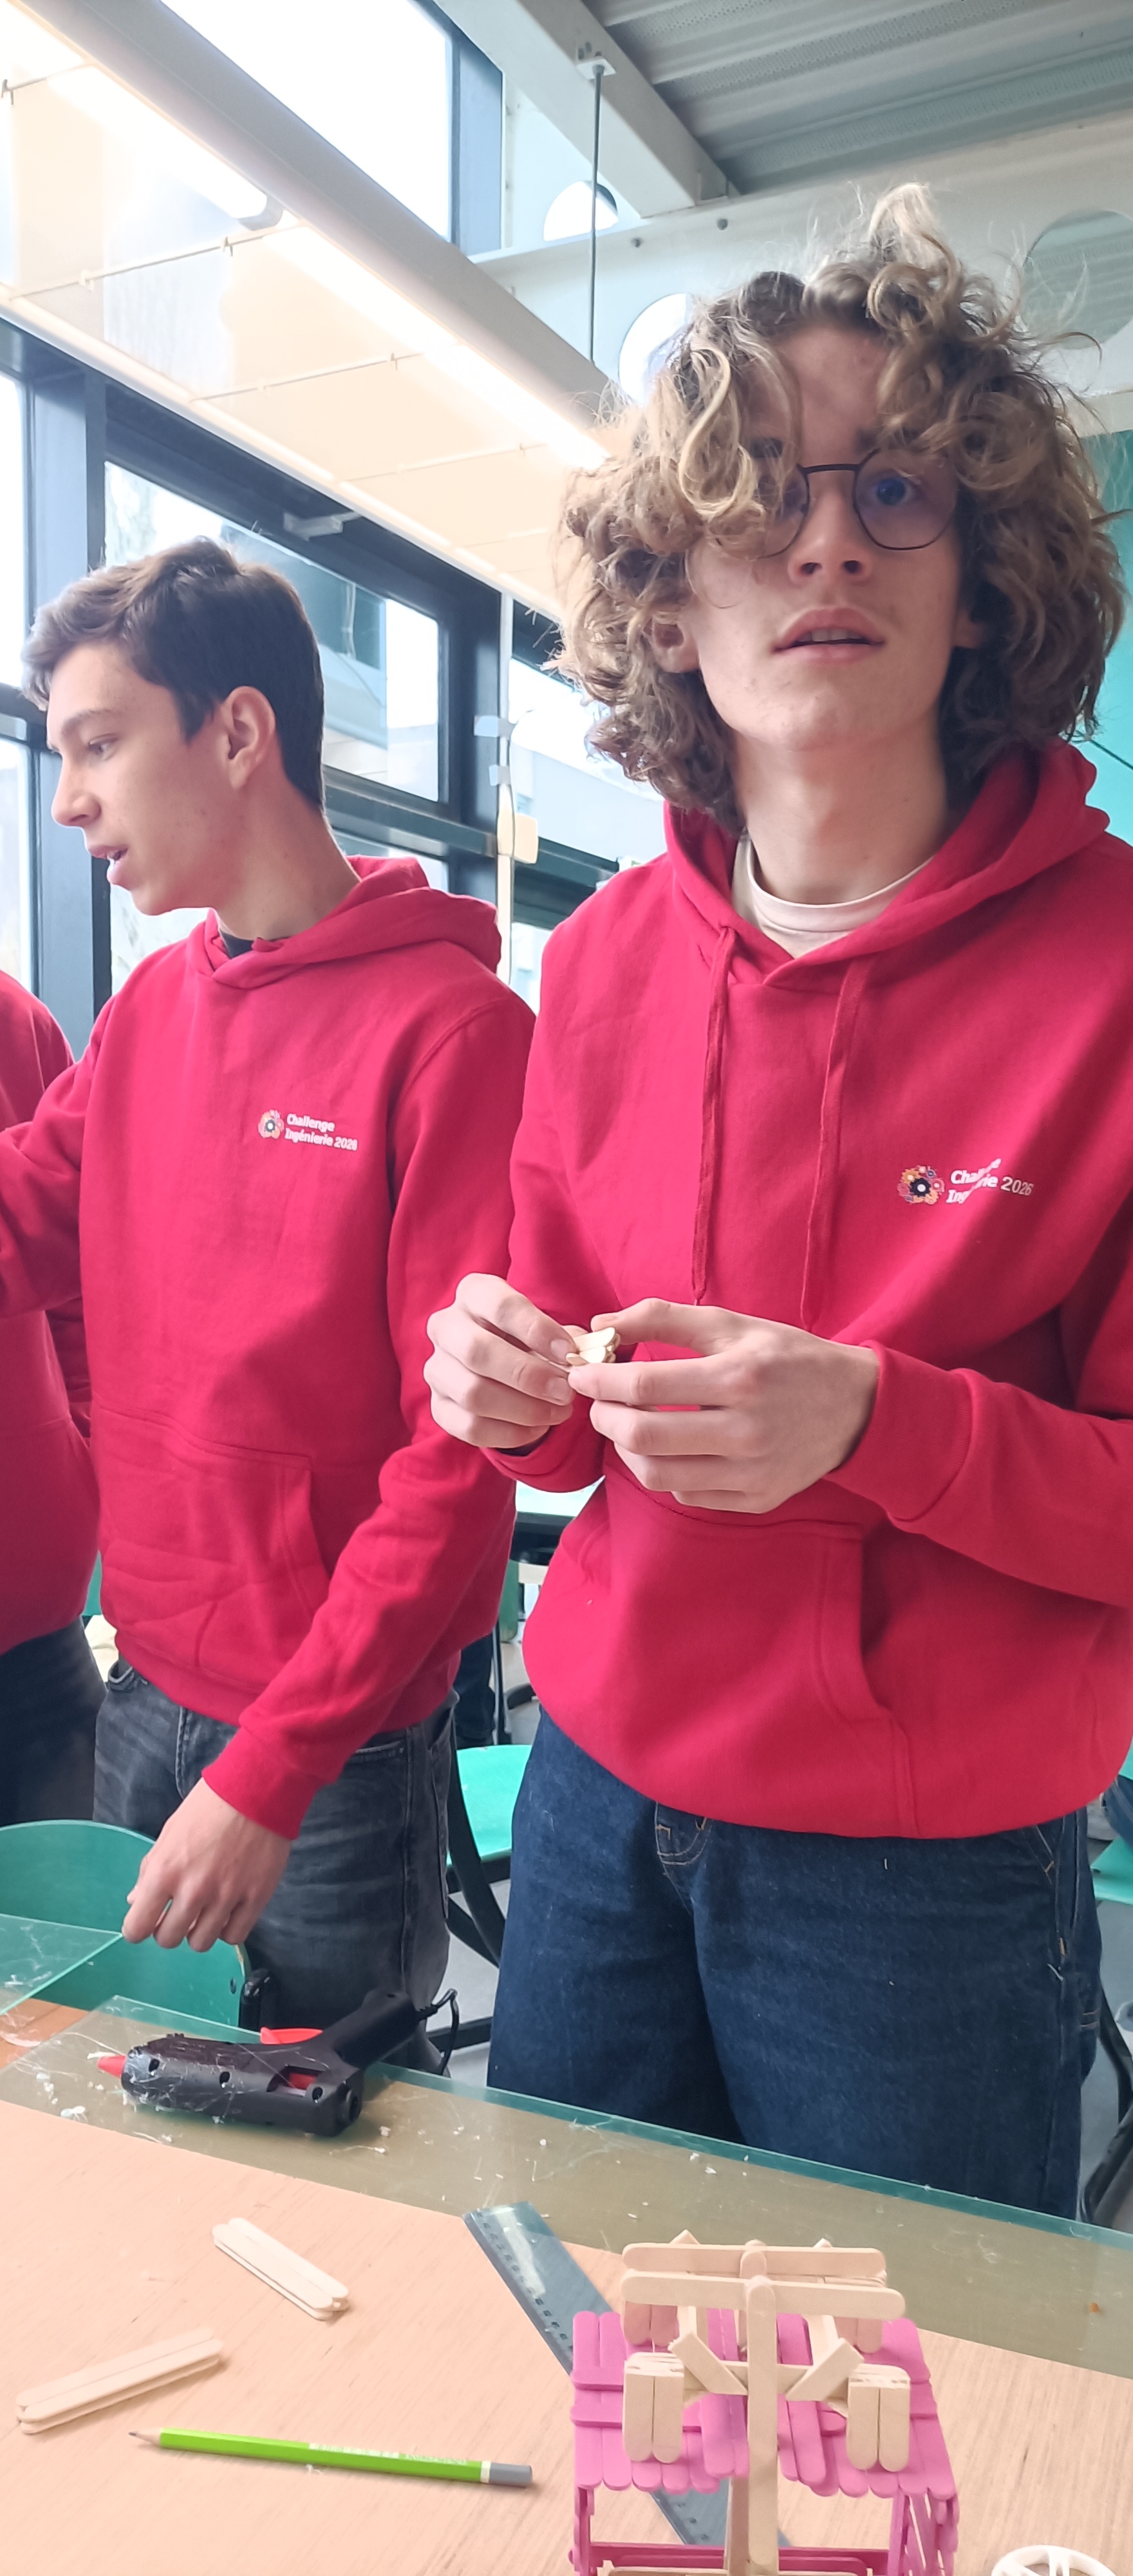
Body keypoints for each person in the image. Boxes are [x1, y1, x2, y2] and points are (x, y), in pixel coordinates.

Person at [425, 189, 1128, 2215]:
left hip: (924, 1874)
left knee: (890, 2392)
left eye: (895, 488)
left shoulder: (1115, 972)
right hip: (597, 1798)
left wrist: (879, 1423)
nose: (826, 544)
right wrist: (504, 1388)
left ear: (982, 580)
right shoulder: (601, 961)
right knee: (583, 2336)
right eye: (758, 499)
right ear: (670, 606)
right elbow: (568, 1404)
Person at [0, 538, 532, 2028]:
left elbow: (458, 1461)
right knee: (119, 2104)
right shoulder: (152, 1009)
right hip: (138, 1696)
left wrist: (274, 1769)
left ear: (236, 733)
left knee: (317, 2120)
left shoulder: (456, 1034)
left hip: (329, 1750)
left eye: (98, 744)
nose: (66, 798)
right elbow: (3, 1225)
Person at [0, 958, 100, 1830]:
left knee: (81, 1908)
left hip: (33, 1625)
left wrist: (82, 1452)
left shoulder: (7, 1019)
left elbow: (82, 1279)